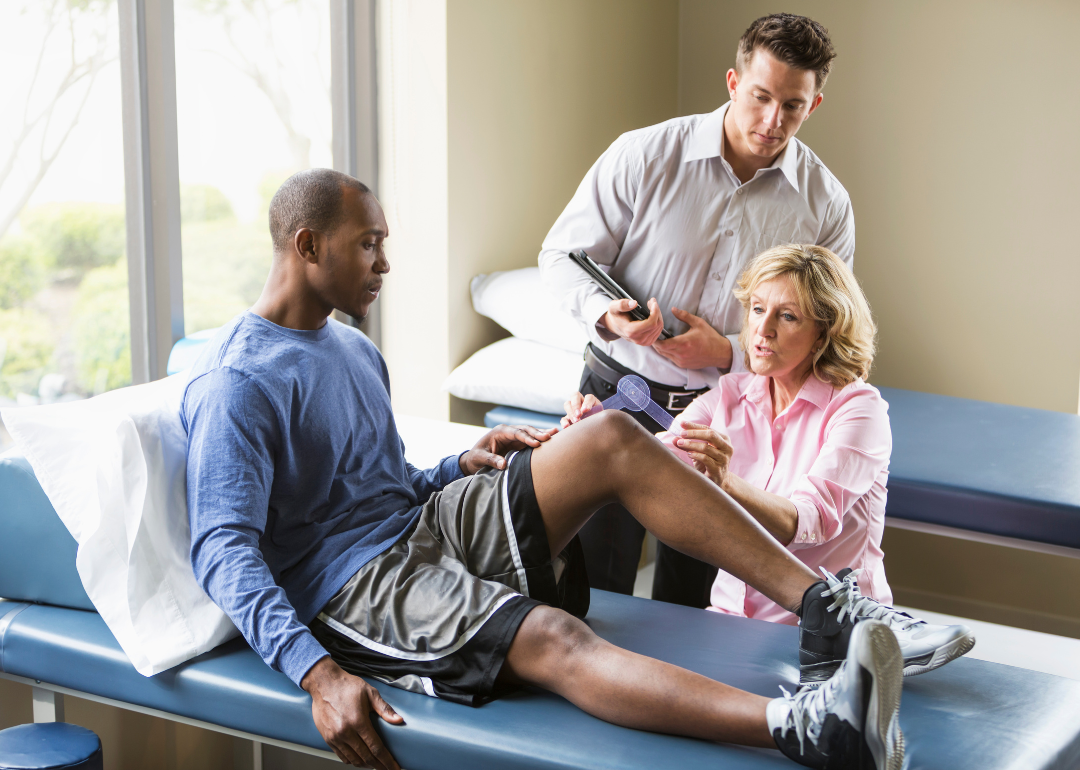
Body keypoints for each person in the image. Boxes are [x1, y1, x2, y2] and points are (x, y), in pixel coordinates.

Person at [182, 169, 971, 770]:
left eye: (384, 242)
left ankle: (827, 610)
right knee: (556, 633)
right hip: (357, 587)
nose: (385, 262)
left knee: (612, 437)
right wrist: (318, 677)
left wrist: (457, 464)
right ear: (306, 246)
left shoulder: (352, 348)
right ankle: (806, 728)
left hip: (421, 526)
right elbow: (223, 552)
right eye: (368, 244)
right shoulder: (241, 382)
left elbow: (381, 485)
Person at [539, 13, 855, 608]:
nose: (772, 121)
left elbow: (827, 335)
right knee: (594, 596)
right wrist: (608, 314)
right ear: (734, 82)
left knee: (699, 605)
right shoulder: (643, 154)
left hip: (727, 424)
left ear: (813, 106)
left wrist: (730, 351)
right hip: (614, 403)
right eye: (761, 97)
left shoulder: (826, 206)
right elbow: (559, 256)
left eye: (792, 106)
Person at [564, 246, 899, 629]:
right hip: (729, 620)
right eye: (757, 309)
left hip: (829, 627)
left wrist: (726, 482)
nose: (763, 329)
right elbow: (652, 460)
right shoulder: (728, 395)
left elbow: (810, 522)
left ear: (824, 333)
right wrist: (591, 431)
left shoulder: (858, 409)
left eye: (787, 316)